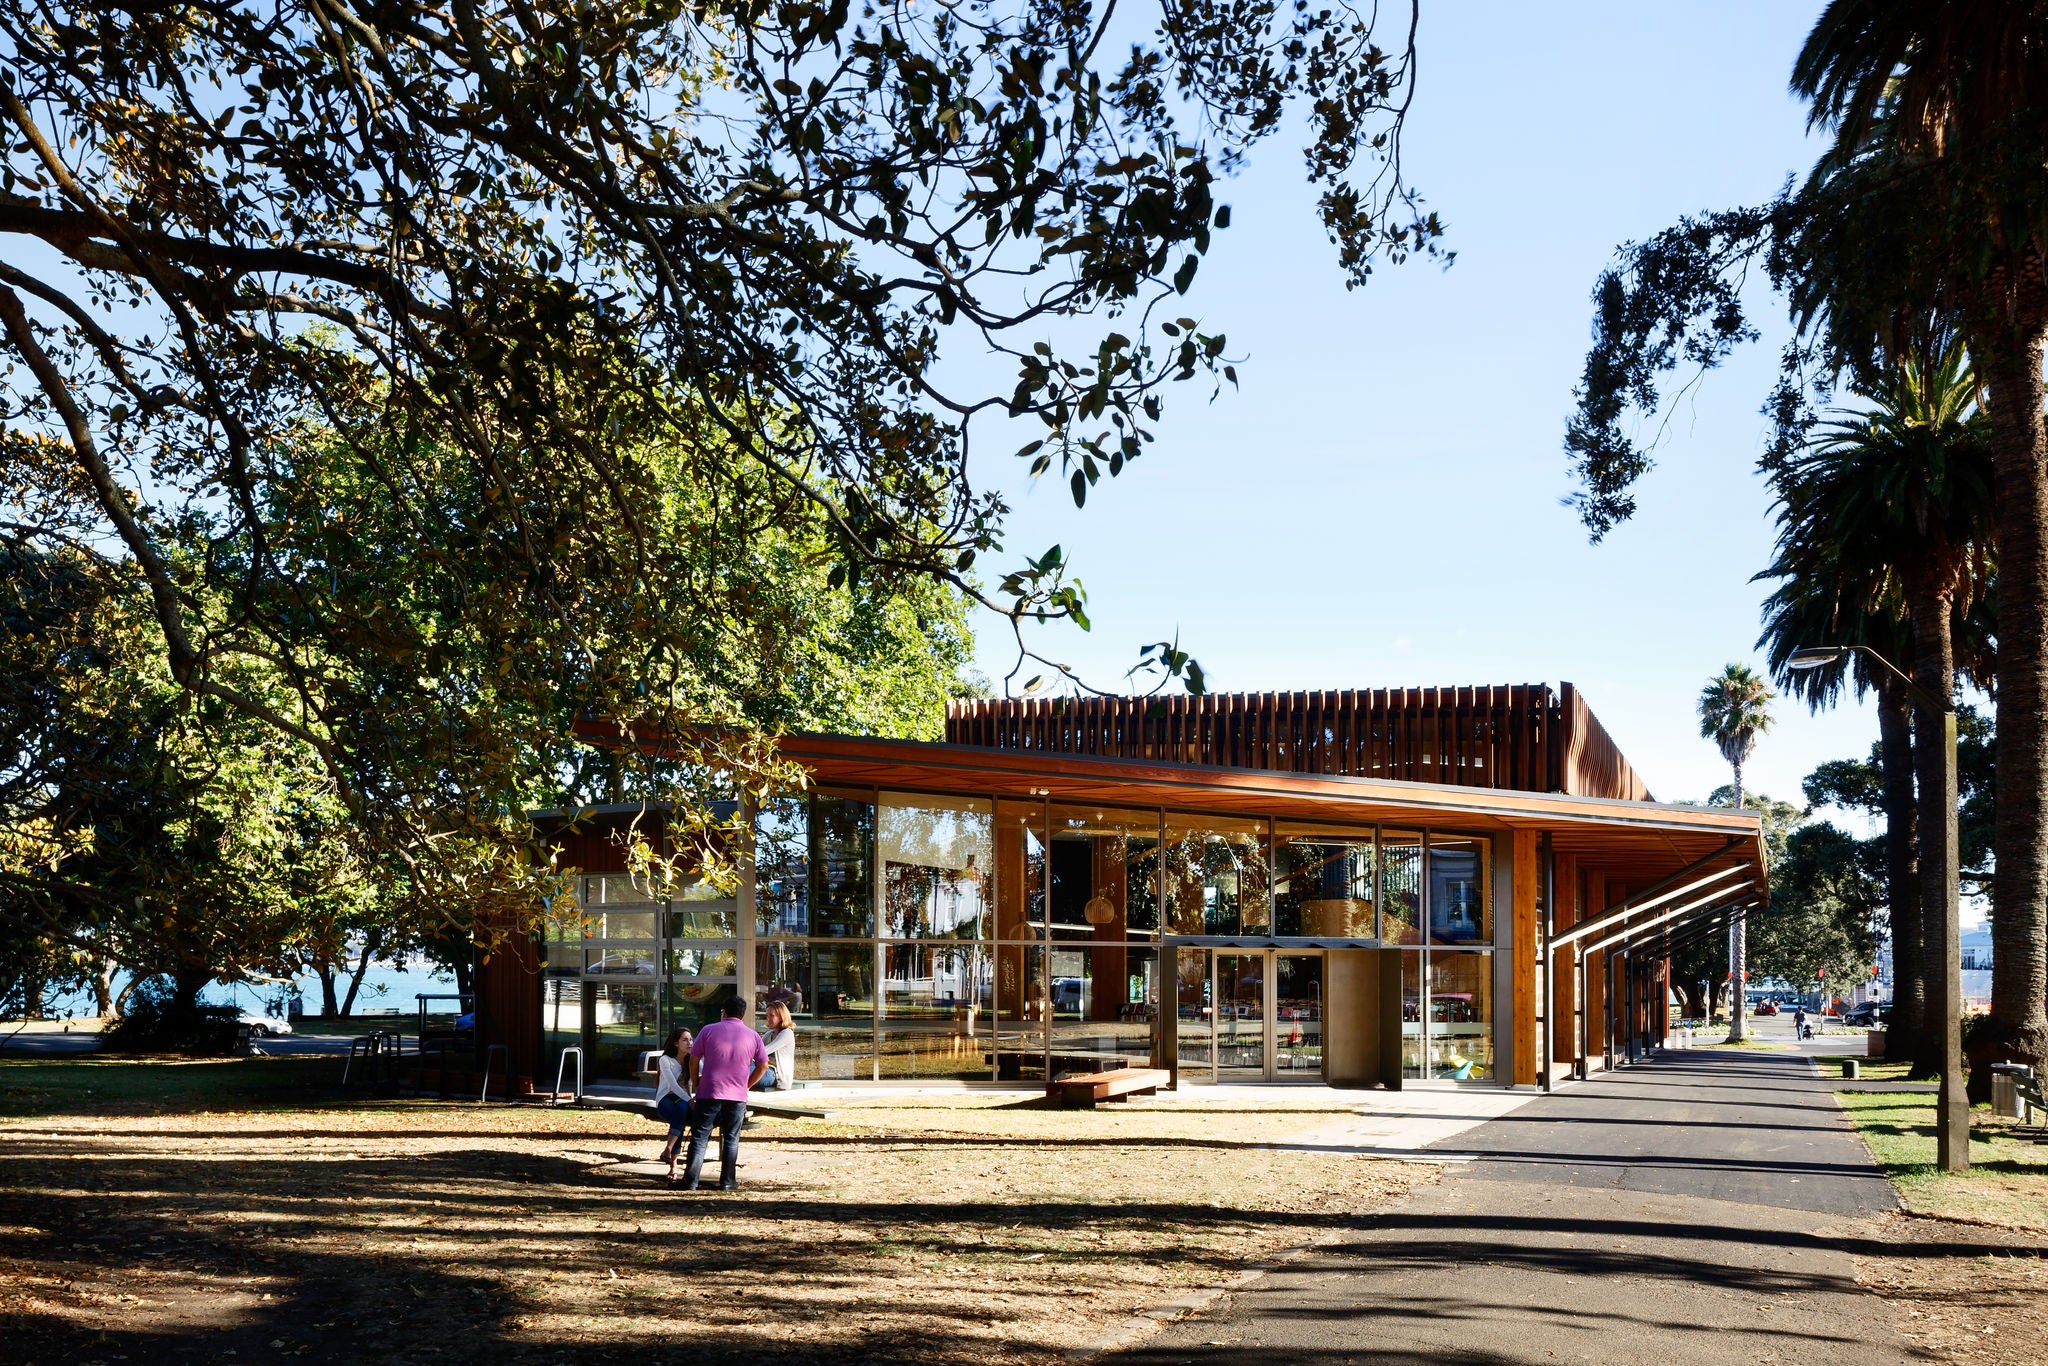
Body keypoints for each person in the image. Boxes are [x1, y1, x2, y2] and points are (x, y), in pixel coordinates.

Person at [683, 995, 767, 1191]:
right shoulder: (753, 1035)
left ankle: (690, 1181)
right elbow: (763, 1064)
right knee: (731, 1138)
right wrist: (748, 1084)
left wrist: (696, 1083)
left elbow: (693, 1059)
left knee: (700, 1137)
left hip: (709, 1092)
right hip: (737, 1095)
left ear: (723, 1012)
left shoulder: (708, 1030)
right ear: (742, 1015)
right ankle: (728, 1182)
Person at [653, 1027, 693, 1181]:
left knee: (682, 1112)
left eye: (690, 1039)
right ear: (676, 1043)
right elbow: (672, 1086)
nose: (689, 1043)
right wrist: (690, 1100)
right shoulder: (665, 1060)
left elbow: (707, 1071)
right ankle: (672, 1159)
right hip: (666, 1099)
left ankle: (670, 1156)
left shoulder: (692, 1059)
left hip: (683, 1102)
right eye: (685, 1039)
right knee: (682, 1108)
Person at [757, 999, 796, 1092]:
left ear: (781, 1016)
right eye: (767, 1016)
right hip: (763, 1070)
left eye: (772, 1015)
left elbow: (762, 1051)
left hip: (776, 1076)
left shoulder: (787, 1033)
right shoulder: (769, 1033)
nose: (768, 1019)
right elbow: (757, 1049)